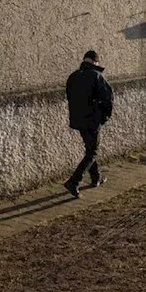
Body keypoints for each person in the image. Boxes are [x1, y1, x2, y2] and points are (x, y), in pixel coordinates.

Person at [64, 49, 114, 198]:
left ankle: (96, 178)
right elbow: (108, 99)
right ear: (94, 62)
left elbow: (69, 96)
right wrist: (103, 118)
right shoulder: (96, 76)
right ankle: (74, 181)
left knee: (91, 149)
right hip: (92, 120)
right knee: (92, 152)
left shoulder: (73, 77)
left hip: (78, 120)